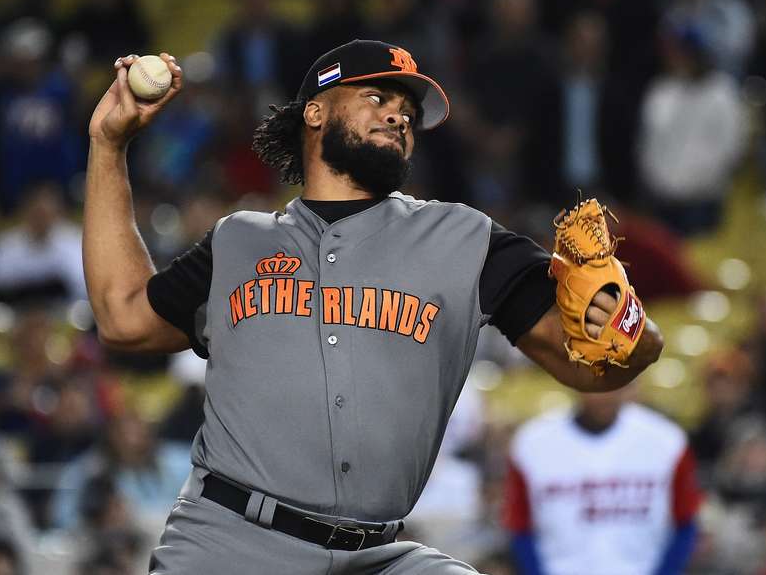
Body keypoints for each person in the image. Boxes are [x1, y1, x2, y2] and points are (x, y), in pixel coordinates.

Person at [82, 40, 664, 574]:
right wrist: (109, 145)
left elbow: (599, 364)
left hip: (379, 554)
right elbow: (123, 318)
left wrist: (623, 320)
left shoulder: (465, 239)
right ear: (315, 112)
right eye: (377, 97)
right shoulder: (240, 241)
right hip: (231, 542)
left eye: (408, 112)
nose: (399, 115)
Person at [503, 385, 701, 575]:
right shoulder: (532, 443)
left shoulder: (667, 440)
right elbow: (520, 527)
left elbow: (686, 522)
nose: (601, 394)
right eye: (592, 379)